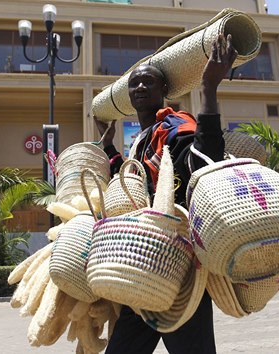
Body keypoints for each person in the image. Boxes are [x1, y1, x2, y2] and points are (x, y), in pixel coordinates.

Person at [93, 33, 238, 354]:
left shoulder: (175, 127)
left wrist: (209, 90)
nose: (140, 87)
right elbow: (132, 185)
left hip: (180, 267)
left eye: (148, 82)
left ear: (163, 91)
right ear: (128, 95)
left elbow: (206, 159)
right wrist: (107, 145)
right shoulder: (144, 139)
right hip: (142, 262)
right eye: (135, 84)